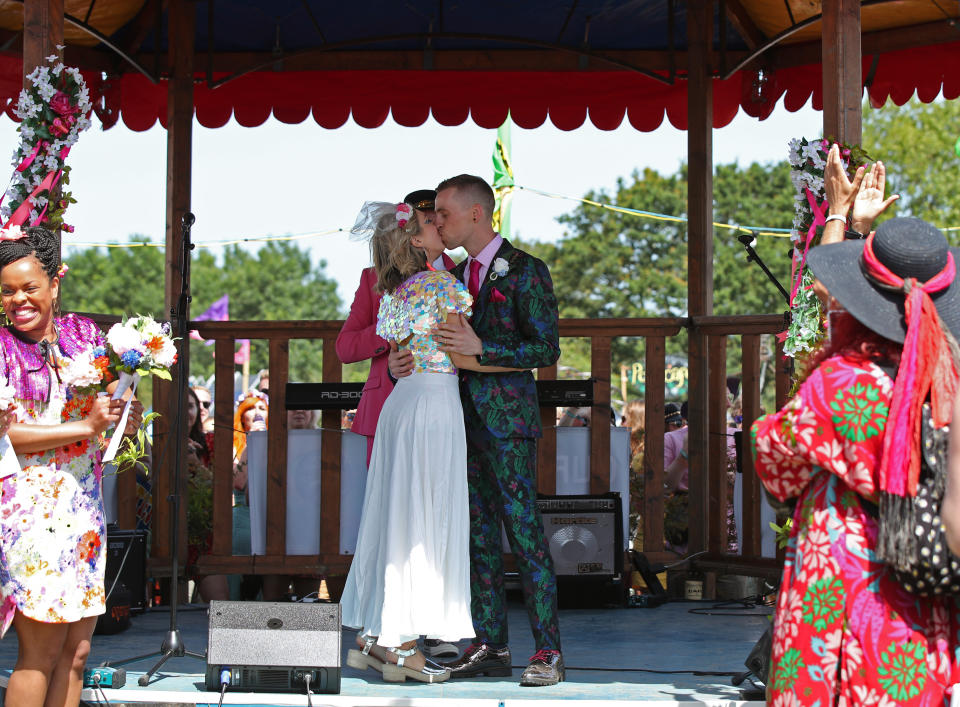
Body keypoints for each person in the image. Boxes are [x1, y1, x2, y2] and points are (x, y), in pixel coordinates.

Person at [753, 217, 960, 704]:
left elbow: (774, 465)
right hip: (924, 595)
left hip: (839, 596)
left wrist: (839, 220)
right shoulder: (947, 380)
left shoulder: (843, 383)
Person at [400, 174, 564, 686]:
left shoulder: (525, 270)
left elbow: (545, 349)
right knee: (476, 539)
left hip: (507, 424)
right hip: (455, 421)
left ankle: (548, 652)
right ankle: (490, 644)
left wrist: (481, 352)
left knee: (525, 535)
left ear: (476, 213)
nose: (436, 222)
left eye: (443, 214)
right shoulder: (445, 275)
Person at [341, 200, 502, 684]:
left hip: (403, 406)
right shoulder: (443, 286)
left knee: (397, 515)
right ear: (415, 239)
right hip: (434, 404)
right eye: (433, 223)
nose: (442, 227)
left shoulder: (394, 290)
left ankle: (381, 635)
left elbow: (396, 335)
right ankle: (404, 643)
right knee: (424, 520)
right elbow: (466, 349)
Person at [0, 226, 144, 707]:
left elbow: (104, 407)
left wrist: (123, 411)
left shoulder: (85, 334)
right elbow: (8, 434)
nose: (18, 299)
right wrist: (85, 425)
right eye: (6, 290)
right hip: (29, 513)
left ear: (55, 284)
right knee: (38, 654)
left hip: (82, 509)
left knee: (77, 652)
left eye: (29, 287)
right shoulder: (2, 349)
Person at [335, 189, 455, 466]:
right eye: (429, 220)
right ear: (410, 233)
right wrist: (390, 327)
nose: (438, 224)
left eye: (440, 218)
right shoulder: (373, 279)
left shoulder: (458, 276)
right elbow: (345, 348)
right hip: (384, 407)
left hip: (440, 407)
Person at [184, 386, 228, 602]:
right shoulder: (159, 445)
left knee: (219, 604)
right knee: (165, 612)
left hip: (205, 533)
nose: (186, 412)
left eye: (190, 406)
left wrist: (195, 465)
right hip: (170, 534)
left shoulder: (210, 443)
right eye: (180, 407)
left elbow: (222, 486)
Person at [232, 390, 268, 599]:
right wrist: (251, 442)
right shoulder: (233, 444)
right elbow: (239, 481)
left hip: (269, 517)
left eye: (262, 408)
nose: (256, 413)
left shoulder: (277, 443)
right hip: (242, 516)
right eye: (250, 408)